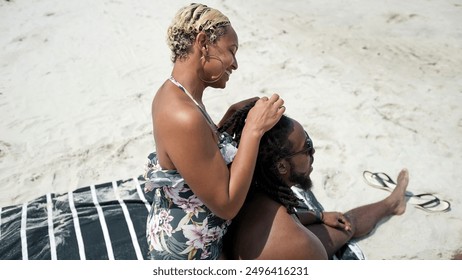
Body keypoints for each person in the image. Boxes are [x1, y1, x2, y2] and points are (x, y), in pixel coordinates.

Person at [143, 3, 285, 260]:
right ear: (203, 43)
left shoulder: (178, 94)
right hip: (189, 255)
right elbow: (226, 205)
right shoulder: (182, 115)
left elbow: (196, 154)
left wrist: (230, 117)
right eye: (231, 51)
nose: (235, 64)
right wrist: (253, 130)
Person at [220, 102, 410, 260]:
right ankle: (393, 204)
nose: (313, 152)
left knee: (337, 220)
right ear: (281, 167)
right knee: (347, 226)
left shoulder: (240, 191)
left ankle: (392, 203)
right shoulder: (301, 244)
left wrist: (318, 216)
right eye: (307, 146)